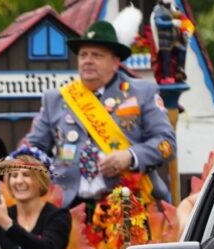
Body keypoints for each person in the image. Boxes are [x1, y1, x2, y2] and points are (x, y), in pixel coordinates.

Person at [23, 20, 176, 208]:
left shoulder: (142, 92)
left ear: (115, 62)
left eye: (97, 55)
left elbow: (167, 144)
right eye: (83, 55)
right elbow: (34, 148)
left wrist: (130, 156)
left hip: (127, 203)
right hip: (67, 206)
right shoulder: (55, 99)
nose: (88, 60)